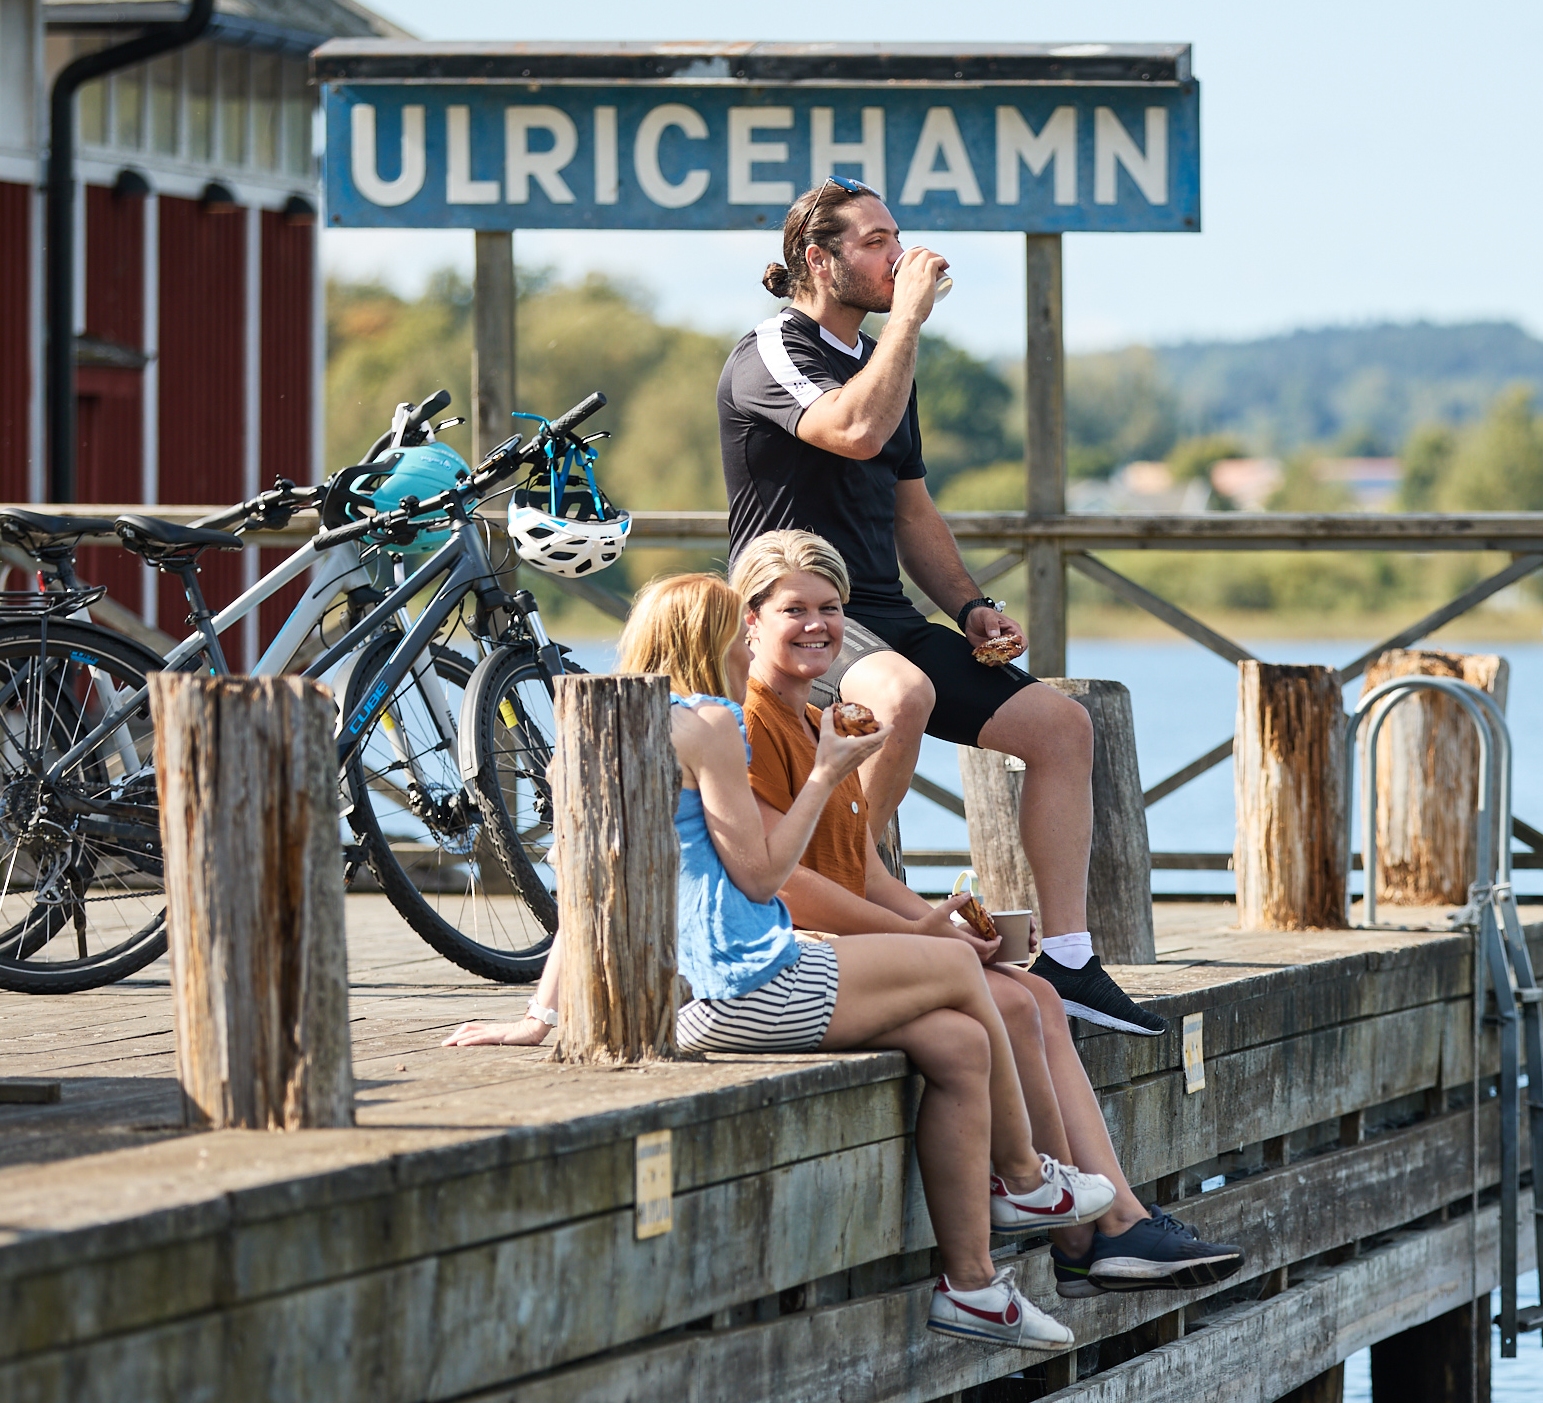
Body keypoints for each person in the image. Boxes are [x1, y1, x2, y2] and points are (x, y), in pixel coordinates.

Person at [443, 573, 1110, 1350]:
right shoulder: (711, 724)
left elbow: (590, 888)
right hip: (746, 982)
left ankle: (974, 1289)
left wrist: (541, 1016)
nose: (749, 641)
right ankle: (1027, 1180)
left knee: (958, 1043)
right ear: (716, 637)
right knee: (969, 976)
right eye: (741, 625)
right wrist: (829, 771)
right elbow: (763, 876)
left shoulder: (601, 730)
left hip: (685, 999)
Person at [728, 530, 1244, 1297]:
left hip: (858, 940)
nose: (818, 626)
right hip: (797, 951)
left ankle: (1107, 1224)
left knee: (1034, 991)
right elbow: (789, 883)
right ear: (751, 623)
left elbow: (859, 867)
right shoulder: (751, 724)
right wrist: (918, 938)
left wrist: (946, 919)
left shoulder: (818, 720)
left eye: (831, 609)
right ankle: (1089, 1231)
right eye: (794, 609)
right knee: (1013, 1001)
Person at [717, 174, 1168, 1038]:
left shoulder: (886, 364)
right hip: (795, 616)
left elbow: (911, 506)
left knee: (1061, 727)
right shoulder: (771, 350)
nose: (903, 254)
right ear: (819, 258)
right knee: (900, 696)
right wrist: (912, 321)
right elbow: (849, 431)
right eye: (878, 241)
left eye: (898, 237)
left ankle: (1070, 959)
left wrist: (969, 608)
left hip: (882, 614)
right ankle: (843, 893)